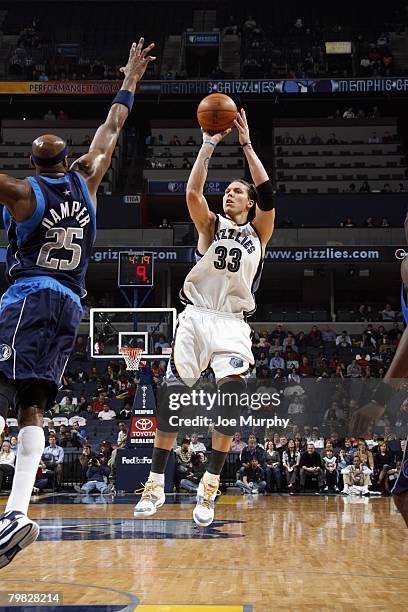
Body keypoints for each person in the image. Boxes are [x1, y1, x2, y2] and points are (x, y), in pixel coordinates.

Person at [0, 38, 156, 568]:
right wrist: (130, 78)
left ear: (32, 164)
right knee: (32, 408)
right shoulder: (87, 177)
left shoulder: (25, 193)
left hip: (28, 297)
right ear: (68, 160)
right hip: (70, 304)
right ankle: (16, 511)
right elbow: (112, 126)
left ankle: (16, 511)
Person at [135, 108, 275, 526]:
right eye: (227, 191)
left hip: (232, 322)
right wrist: (208, 146)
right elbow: (193, 195)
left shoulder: (259, 232)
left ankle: (209, 486)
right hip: (196, 316)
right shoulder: (210, 226)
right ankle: (155, 483)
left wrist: (247, 145)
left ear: (249, 203)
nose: (229, 195)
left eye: (237, 191)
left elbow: (269, 194)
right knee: (173, 401)